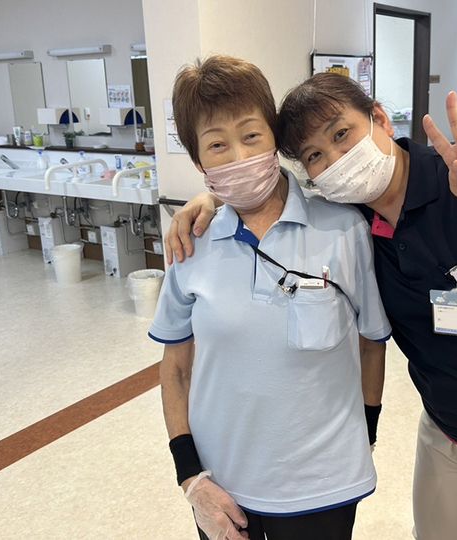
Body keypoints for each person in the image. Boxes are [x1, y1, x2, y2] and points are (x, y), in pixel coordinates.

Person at [167, 71, 457, 540]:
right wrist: (210, 199)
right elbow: (266, 196)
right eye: (315, 156)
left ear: (379, 118)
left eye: (342, 134)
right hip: (448, 429)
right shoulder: (352, 218)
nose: (337, 160)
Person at [151, 56, 390, 540]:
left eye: (251, 135)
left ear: (274, 140)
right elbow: (175, 368)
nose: (239, 156)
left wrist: (364, 433)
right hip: (222, 487)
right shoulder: (190, 243)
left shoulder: (344, 228)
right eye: (217, 145)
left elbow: (372, 344)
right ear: (199, 163)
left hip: (323, 483)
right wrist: (191, 477)